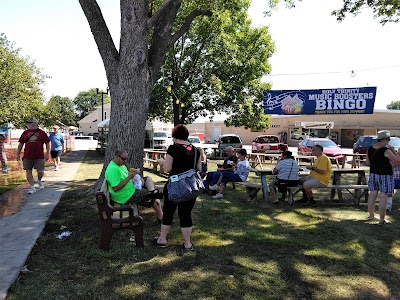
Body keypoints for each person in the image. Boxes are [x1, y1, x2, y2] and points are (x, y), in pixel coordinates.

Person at [155, 124, 202, 251]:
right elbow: (199, 169)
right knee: (186, 213)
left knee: (168, 212)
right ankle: (187, 243)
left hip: (174, 187)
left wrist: (161, 163)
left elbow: (167, 168)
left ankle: (162, 239)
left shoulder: (173, 149)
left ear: (175, 137)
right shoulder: (196, 150)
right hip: (190, 187)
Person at [105, 149, 163, 222]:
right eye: (123, 159)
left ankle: (152, 191)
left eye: (126, 158)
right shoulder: (113, 169)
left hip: (131, 187)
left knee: (148, 179)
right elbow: (115, 188)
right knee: (153, 198)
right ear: (117, 157)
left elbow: (125, 176)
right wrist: (130, 177)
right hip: (125, 195)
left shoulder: (120, 165)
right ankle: (161, 217)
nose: (125, 161)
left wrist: (135, 176)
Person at [366, 130, 400, 224]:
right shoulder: (386, 150)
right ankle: (381, 219)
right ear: (384, 139)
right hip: (385, 175)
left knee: (372, 194)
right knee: (383, 196)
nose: (389, 142)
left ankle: (371, 216)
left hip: (373, 174)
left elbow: (368, 163)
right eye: (388, 139)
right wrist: (393, 151)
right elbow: (398, 161)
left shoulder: (370, 149)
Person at [16, 117, 50, 194]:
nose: (31, 125)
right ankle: (32, 187)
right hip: (27, 156)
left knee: (40, 171)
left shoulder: (42, 133)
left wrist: (47, 153)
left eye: (32, 123)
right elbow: (21, 143)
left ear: (36, 124)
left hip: (39, 156)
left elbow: (47, 143)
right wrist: (17, 153)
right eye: (29, 123)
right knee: (28, 171)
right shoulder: (25, 133)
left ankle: (39, 180)